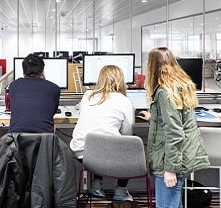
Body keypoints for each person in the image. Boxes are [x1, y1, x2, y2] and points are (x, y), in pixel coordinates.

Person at [138, 47, 210, 208]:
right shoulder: (181, 85)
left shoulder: (165, 92)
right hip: (182, 157)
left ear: (152, 66)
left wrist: (170, 170)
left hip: (171, 162)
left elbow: (175, 133)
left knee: (166, 204)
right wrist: (154, 118)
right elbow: (177, 122)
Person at [70, 65, 135, 201]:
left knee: (101, 143)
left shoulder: (87, 95)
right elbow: (127, 134)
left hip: (83, 153)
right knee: (129, 147)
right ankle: (121, 190)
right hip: (102, 153)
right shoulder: (125, 101)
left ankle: (96, 185)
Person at [8, 53, 60, 133]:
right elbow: (52, 112)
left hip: (16, 142)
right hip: (45, 142)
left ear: (23, 72)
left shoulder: (13, 86)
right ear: (42, 71)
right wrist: (44, 81)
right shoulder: (54, 88)